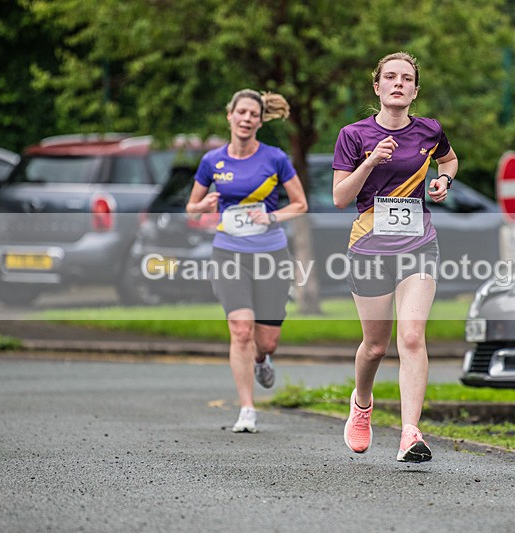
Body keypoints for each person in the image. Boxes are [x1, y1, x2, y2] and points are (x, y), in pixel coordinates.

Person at [332, 52, 458, 462]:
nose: (398, 83)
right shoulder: (354, 135)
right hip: (368, 248)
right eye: (390, 77)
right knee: (374, 347)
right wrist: (370, 161)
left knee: (411, 336)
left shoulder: (430, 130)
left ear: (415, 90)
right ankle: (362, 405)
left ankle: (410, 433)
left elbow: (449, 159)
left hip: (418, 244)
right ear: (378, 86)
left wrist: (443, 180)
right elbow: (339, 198)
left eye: (406, 78)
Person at [186, 89, 307, 433]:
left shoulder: (275, 158)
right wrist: (203, 207)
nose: (246, 119)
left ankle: (262, 358)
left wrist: (271, 218)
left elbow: (299, 204)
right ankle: (247, 409)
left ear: (259, 120)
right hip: (229, 252)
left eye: (253, 114)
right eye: (241, 112)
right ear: (230, 115)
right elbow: (191, 207)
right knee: (240, 330)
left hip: (270, 254)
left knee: (265, 340)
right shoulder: (212, 161)